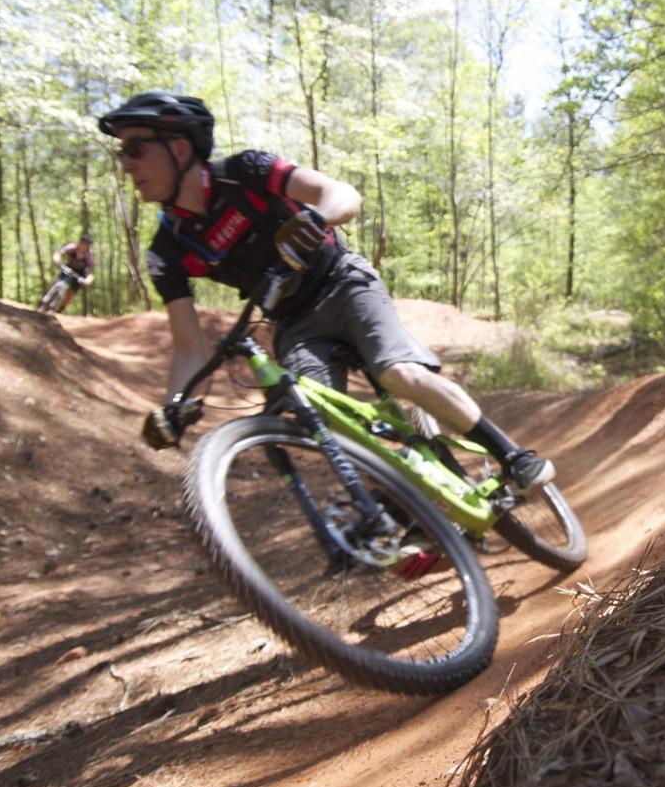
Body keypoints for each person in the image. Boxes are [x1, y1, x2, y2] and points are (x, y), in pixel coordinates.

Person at [96, 91, 555, 497]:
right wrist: (175, 406)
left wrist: (319, 219)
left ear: (179, 147)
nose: (126, 163)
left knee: (398, 373)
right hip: (294, 322)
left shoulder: (246, 172)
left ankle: (513, 456)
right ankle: (412, 503)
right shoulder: (168, 250)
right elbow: (188, 347)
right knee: (320, 415)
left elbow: (341, 194)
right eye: (121, 152)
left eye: (136, 148)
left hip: (342, 280)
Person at [39, 233, 96, 312]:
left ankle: (61, 309)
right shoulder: (71, 248)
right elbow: (59, 253)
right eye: (83, 243)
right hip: (68, 268)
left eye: (87, 245)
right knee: (58, 281)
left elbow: (91, 273)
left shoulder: (89, 257)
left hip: (80, 274)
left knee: (71, 292)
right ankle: (45, 299)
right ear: (80, 242)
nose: (84, 246)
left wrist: (88, 280)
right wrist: (57, 260)